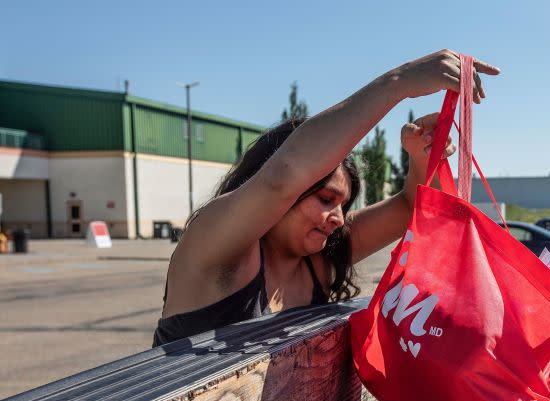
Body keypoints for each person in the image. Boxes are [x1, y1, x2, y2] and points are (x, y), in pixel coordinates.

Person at [154, 50, 499, 346]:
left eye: (343, 205)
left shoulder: (316, 261)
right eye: (324, 199)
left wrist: (422, 157)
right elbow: (282, 177)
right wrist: (400, 81)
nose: (338, 218)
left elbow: (410, 207)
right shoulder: (215, 249)